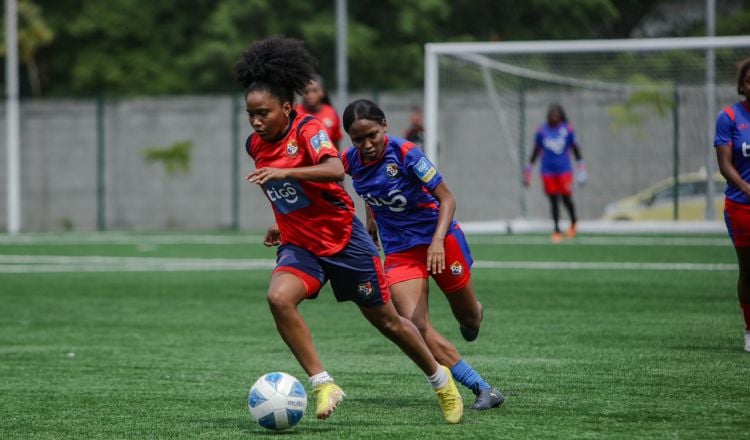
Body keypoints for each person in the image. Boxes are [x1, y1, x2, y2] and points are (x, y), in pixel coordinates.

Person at [235, 37, 463, 424]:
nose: (256, 121)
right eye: (251, 114)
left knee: (388, 322)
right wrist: (281, 222)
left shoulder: (308, 130)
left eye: (264, 113)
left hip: (344, 241)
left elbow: (335, 170)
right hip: (301, 244)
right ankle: (323, 383)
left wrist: (285, 171)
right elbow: (288, 193)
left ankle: (441, 381)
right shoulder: (254, 145)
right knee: (278, 298)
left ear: (287, 108)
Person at [341, 99, 505, 410]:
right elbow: (366, 189)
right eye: (358, 139)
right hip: (401, 251)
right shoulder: (350, 161)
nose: (367, 144)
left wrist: (438, 241)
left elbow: (447, 199)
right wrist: (371, 218)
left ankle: (474, 313)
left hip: (440, 242)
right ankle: (482, 387)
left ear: (385, 126)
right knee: (413, 324)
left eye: (372, 135)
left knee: (468, 319)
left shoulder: (406, 154)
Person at [714, 57, 750, 353]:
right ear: (742, 85)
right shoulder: (728, 117)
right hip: (742, 206)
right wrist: (746, 187)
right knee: (748, 270)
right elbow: (725, 165)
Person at [523, 104, 587, 243]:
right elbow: (535, 151)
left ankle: (574, 222)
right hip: (547, 172)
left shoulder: (567, 129)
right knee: (553, 201)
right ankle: (557, 230)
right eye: (551, 115)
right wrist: (529, 171)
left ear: (560, 116)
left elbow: (576, 149)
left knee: (566, 199)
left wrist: (581, 168)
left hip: (564, 170)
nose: (554, 117)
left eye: (556, 115)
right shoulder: (542, 131)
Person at [295, 74, 343, 151]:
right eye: (307, 91)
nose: (310, 95)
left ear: (323, 92)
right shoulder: (295, 113)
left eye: (315, 91)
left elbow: (336, 143)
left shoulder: (332, 112)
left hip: (327, 160)